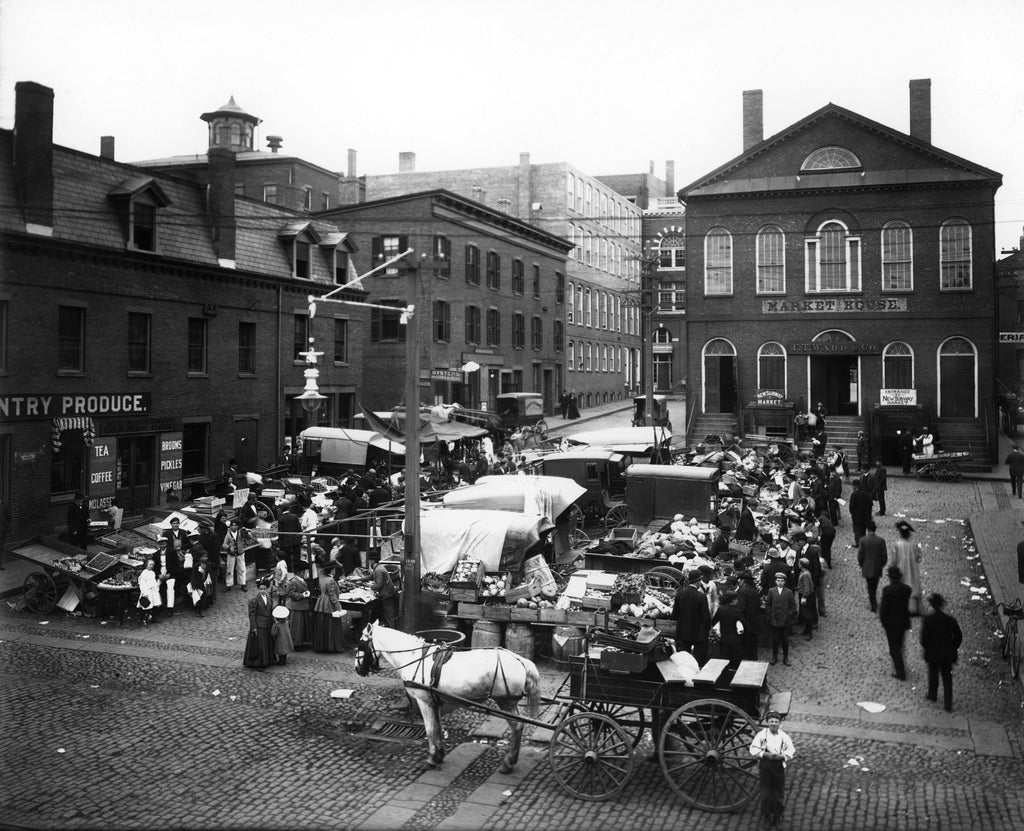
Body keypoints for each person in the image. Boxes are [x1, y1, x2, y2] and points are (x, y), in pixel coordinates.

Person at [749, 711, 796, 829]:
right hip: (765, 766)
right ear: (767, 723)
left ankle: (777, 815)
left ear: (780, 723)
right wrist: (764, 754)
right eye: (771, 722)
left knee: (778, 792)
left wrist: (783, 756)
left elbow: (791, 750)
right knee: (766, 792)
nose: (773, 724)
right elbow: (753, 749)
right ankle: (766, 816)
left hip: (778, 766)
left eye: (776, 722)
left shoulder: (784, 737)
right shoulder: (762, 735)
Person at [920, 592, 963, 712]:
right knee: (947, 678)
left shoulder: (928, 620)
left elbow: (924, 639)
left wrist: (927, 647)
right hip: (946, 654)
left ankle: (932, 694)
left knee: (933, 675)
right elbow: (958, 636)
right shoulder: (950, 620)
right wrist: (953, 647)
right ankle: (948, 702)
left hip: (933, 653)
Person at [878, 565, 912, 680]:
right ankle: (899, 667)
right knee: (899, 644)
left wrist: (883, 621)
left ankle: (900, 671)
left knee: (893, 648)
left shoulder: (887, 591)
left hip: (891, 624)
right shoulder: (906, 589)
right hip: (902, 622)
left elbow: (884, 609)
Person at [672, 570, 712, 666]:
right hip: (699, 634)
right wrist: (709, 629)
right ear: (698, 582)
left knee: (684, 658)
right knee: (698, 660)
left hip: (684, 632)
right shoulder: (701, 597)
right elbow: (706, 617)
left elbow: (675, 615)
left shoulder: (680, 594)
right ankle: (697, 675)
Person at [274, 563, 313, 649]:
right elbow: (289, 593)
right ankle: (296, 643)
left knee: (302, 626)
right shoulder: (293, 581)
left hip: (303, 606)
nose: (305, 573)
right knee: (297, 627)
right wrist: (302, 595)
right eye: (303, 572)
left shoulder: (302, 580)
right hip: (296, 607)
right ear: (299, 572)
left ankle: (301, 642)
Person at [312, 560, 348, 653]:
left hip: (322, 602)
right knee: (332, 625)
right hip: (329, 603)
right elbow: (332, 595)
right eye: (334, 569)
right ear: (331, 570)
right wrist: (338, 606)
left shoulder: (322, 578)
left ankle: (322, 646)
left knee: (323, 625)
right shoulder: (331, 580)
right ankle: (332, 646)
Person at [892, 520, 924, 616]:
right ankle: (916, 609)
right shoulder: (913, 545)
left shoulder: (897, 545)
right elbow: (918, 558)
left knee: (902, 587)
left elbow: (894, 559)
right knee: (914, 585)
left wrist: (893, 568)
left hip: (901, 569)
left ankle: (903, 608)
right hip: (912, 569)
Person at [243, 577, 276, 670]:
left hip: (268, 624)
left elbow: (270, 612)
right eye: (261, 589)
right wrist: (254, 627)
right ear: (258, 589)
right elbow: (252, 614)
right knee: (260, 645)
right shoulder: (255, 600)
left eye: (264, 589)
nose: (262, 591)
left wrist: (273, 623)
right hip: (259, 625)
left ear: (267, 589)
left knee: (267, 643)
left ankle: (268, 660)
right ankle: (258, 663)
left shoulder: (269, 599)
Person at [765, 572, 797, 666]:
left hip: (784, 621)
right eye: (778, 581)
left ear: (784, 582)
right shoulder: (771, 591)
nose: (780, 582)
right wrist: (770, 613)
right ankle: (774, 657)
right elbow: (768, 604)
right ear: (775, 581)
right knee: (775, 640)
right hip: (774, 619)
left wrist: (788, 616)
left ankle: (785, 658)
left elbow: (793, 606)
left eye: (782, 581)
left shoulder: (788, 592)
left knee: (784, 640)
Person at [857, 520, 888, 613]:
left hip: (867, 567)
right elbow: (884, 556)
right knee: (874, 585)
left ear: (867, 529)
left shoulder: (863, 540)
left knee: (870, 586)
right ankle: (873, 601)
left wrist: (862, 565)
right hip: (877, 568)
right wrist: (881, 565)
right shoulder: (881, 541)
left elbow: (860, 555)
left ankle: (873, 602)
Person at [711, 591, 745, 669]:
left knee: (724, 661)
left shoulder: (721, 609)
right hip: (735, 640)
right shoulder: (737, 611)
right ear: (734, 600)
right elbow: (744, 624)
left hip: (724, 639)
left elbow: (713, 621)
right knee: (735, 661)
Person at [735, 570, 763, 660]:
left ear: (743, 580)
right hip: (755, 622)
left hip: (746, 623)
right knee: (753, 646)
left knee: (745, 647)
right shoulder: (755, 590)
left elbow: (741, 609)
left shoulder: (742, 592)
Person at [371, 556, 402, 628]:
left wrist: (371, 587)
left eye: (370, 561)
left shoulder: (378, 570)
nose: (369, 563)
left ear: (372, 561)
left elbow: (379, 585)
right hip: (388, 592)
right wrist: (360, 580)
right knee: (386, 614)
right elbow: (371, 576)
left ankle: (392, 631)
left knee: (389, 615)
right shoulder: (379, 567)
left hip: (387, 594)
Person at [153, 538, 182, 617]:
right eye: (160, 544)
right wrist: (158, 574)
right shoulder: (156, 554)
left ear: (166, 544)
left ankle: (170, 608)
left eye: (164, 544)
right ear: (158, 545)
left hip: (170, 573)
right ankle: (159, 605)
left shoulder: (172, 552)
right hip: (160, 572)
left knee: (170, 588)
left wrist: (170, 574)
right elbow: (154, 567)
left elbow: (176, 564)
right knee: (155, 587)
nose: (162, 546)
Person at [222, 518, 248, 592]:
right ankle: (228, 585)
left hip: (240, 554)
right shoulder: (228, 535)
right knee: (229, 570)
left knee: (242, 569)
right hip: (231, 555)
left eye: (235, 525)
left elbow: (248, 538)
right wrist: (229, 547)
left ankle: (243, 584)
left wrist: (246, 532)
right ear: (230, 527)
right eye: (232, 525)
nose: (233, 527)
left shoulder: (241, 533)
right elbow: (224, 545)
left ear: (237, 526)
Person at [795, 558, 817, 640]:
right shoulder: (804, 572)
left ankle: (809, 633)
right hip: (805, 594)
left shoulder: (805, 574)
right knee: (805, 613)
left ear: (802, 565)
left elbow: (807, 587)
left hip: (806, 596)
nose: (798, 564)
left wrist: (804, 597)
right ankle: (806, 631)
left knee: (807, 614)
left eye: (799, 563)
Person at [276, 504, 302, 572]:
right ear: (288, 509)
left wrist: (279, 541)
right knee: (297, 555)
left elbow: (280, 532)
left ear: (282, 510)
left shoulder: (281, 519)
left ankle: (289, 571)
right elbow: (299, 529)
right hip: (295, 539)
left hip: (286, 541)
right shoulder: (294, 516)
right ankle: (297, 570)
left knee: (287, 557)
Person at [848, 478, 873, 546]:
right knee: (863, 530)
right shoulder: (866, 493)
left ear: (855, 486)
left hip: (857, 516)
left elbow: (851, 507)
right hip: (865, 516)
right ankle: (864, 542)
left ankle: (858, 543)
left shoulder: (854, 495)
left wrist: (853, 514)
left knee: (857, 530)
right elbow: (870, 504)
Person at [136, 558, 161, 625]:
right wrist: (145, 593)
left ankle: (154, 618)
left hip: (153, 590)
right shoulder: (144, 573)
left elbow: (154, 582)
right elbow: (142, 584)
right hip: (147, 591)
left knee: (155, 605)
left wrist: (157, 584)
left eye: (152, 565)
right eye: (150, 564)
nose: (151, 566)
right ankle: (141, 619)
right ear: (146, 565)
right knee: (145, 605)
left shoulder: (152, 573)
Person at [0, 496, 12, 570]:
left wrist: (6, 524)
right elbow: (10, 517)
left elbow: (10, 517)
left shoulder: (4, 507)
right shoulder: (4, 507)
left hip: (1, 530)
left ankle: (0, 565)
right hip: (1, 530)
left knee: (0, 548)